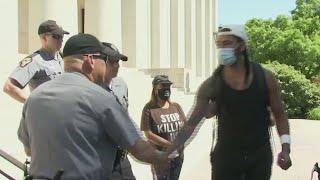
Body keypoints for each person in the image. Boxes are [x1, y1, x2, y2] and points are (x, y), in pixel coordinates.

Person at [17, 33, 169, 180]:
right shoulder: (101, 98)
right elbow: (139, 149)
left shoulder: (35, 97)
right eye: (104, 59)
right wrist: (166, 155)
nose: (106, 65)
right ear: (90, 60)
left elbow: (29, 150)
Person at [168, 25, 292, 180]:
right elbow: (191, 124)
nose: (221, 48)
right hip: (226, 159)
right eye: (219, 44)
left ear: (241, 46)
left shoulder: (266, 78)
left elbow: (280, 115)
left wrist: (286, 149)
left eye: (227, 43)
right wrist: (167, 152)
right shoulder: (211, 85)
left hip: (259, 157)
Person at [3, 20, 69, 103]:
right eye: (56, 36)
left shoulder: (62, 57)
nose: (61, 39)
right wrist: (34, 104)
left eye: (61, 36)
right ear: (44, 37)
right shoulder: (35, 61)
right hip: (46, 112)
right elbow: (9, 87)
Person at [99, 42, 136, 180]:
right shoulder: (90, 89)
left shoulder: (121, 84)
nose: (117, 65)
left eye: (118, 61)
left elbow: (126, 118)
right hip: (102, 162)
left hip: (122, 158)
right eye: (113, 61)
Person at [141, 75, 187, 180]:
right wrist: (168, 144)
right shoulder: (149, 109)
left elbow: (185, 126)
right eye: (163, 86)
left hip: (178, 156)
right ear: (156, 90)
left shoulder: (176, 107)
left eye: (168, 86)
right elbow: (148, 134)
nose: (166, 89)